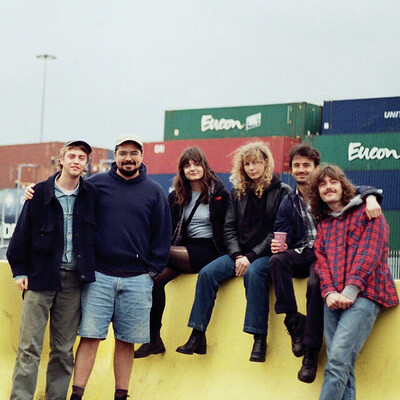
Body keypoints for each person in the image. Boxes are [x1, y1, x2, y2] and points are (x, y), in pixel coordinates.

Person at [24, 134, 171, 400]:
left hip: (138, 279)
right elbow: (63, 191)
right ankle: (77, 395)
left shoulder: (155, 192)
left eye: (133, 153)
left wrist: (152, 272)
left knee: (127, 342)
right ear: (115, 155)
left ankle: (121, 395)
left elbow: (162, 235)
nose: (128, 158)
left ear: (141, 157)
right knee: (89, 337)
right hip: (99, 277)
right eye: (123, 153)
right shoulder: (95, 185)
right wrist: (33, 191)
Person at [269, 143, 383, 383]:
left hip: (326, 252)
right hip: (304, 250)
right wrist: (280, 243)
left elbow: (357, 190)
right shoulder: (289, 201)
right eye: (297, 166)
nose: (301, 170)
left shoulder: (327, 188)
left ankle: (310, 353)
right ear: (291, 170)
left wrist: (372, 196)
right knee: (277, 261)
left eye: (306, 166)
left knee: (314, 284)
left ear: (316, 168)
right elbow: (281, 230)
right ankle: (292, 319)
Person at [176, 141, 291, 362]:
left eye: (256, 162)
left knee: (254, 273)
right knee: (208, 273)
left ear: (266, 163)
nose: (252, 168)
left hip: (266, 254)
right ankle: (197, 334)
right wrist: (238, 255)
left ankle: (259, 338)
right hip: (240, 253)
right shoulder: (237, 192)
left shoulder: (282, 192)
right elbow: (228, 228)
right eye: (247, 164)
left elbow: (276, 231)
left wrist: (250, 257)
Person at [7, 140, 97, 400]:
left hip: (73, 282)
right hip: (40, 278)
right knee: (29, 348)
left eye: (82, 157)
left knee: (63, 350)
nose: (76, 161)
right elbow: (21, 235)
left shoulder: (91, 195)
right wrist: (19, 271)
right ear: (62, 160)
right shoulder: (39, 193)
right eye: (72, 156)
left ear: (86, 163)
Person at [309, 164, 398, 400]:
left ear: (343, 185)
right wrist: (329, 293)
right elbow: (322, 263)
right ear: (317, 192)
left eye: (333, 182)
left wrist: (350, 291)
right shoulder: (324, 224)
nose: (328, 187)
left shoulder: (369, 212)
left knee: (337, 361)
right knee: (343, 366)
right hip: (334, 299)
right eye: (322, 184)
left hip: (365, 295)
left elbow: (370, 254)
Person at [134, 147, 229, 358]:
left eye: (196, 164)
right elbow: (165, 228)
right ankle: (153, 340)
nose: (192, 169)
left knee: (159, 252)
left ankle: (197, 337)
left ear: (204, 166)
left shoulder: (219, 193)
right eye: (187, 165)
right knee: (155, 279)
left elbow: (228, 228)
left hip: (210, 249)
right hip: (183, 248)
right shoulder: (176, 195)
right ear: (182, 170)